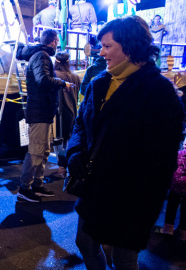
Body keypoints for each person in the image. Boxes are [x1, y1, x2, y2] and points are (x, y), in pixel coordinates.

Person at [66, 15, 184, 270]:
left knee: (124, 259)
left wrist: (144, 205)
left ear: (130, 47)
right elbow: (80, 124)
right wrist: (75, 150)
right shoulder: (100, 83)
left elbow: (162, 160)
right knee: (85, 243)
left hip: (131, 198)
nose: (101, 52)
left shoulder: (159, 92)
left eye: (107, 46)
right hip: (94, 188)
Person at [17, 29, 74, 203]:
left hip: (43, 110)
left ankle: (37, 185)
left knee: (43, 150)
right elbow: (42, 80)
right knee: (36, 151)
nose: (58, 44)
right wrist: (63, 84)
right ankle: (24, 188)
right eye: (57, 41)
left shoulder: (39, 55)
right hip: (40, 111)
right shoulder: (41, 56)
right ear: (53, 41)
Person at [53, 51, 81, 178]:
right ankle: (70, 167)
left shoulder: (54, 75)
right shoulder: (75, 76)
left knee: (59, 141)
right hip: (72, 111)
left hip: (59, 112)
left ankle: (61, 168)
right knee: (69, 140)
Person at [157, 140, 186, 243]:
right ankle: (182, 232)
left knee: (172, 205)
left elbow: (172, 166)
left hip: (176, 183)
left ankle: (168, 229)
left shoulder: (179, 153)